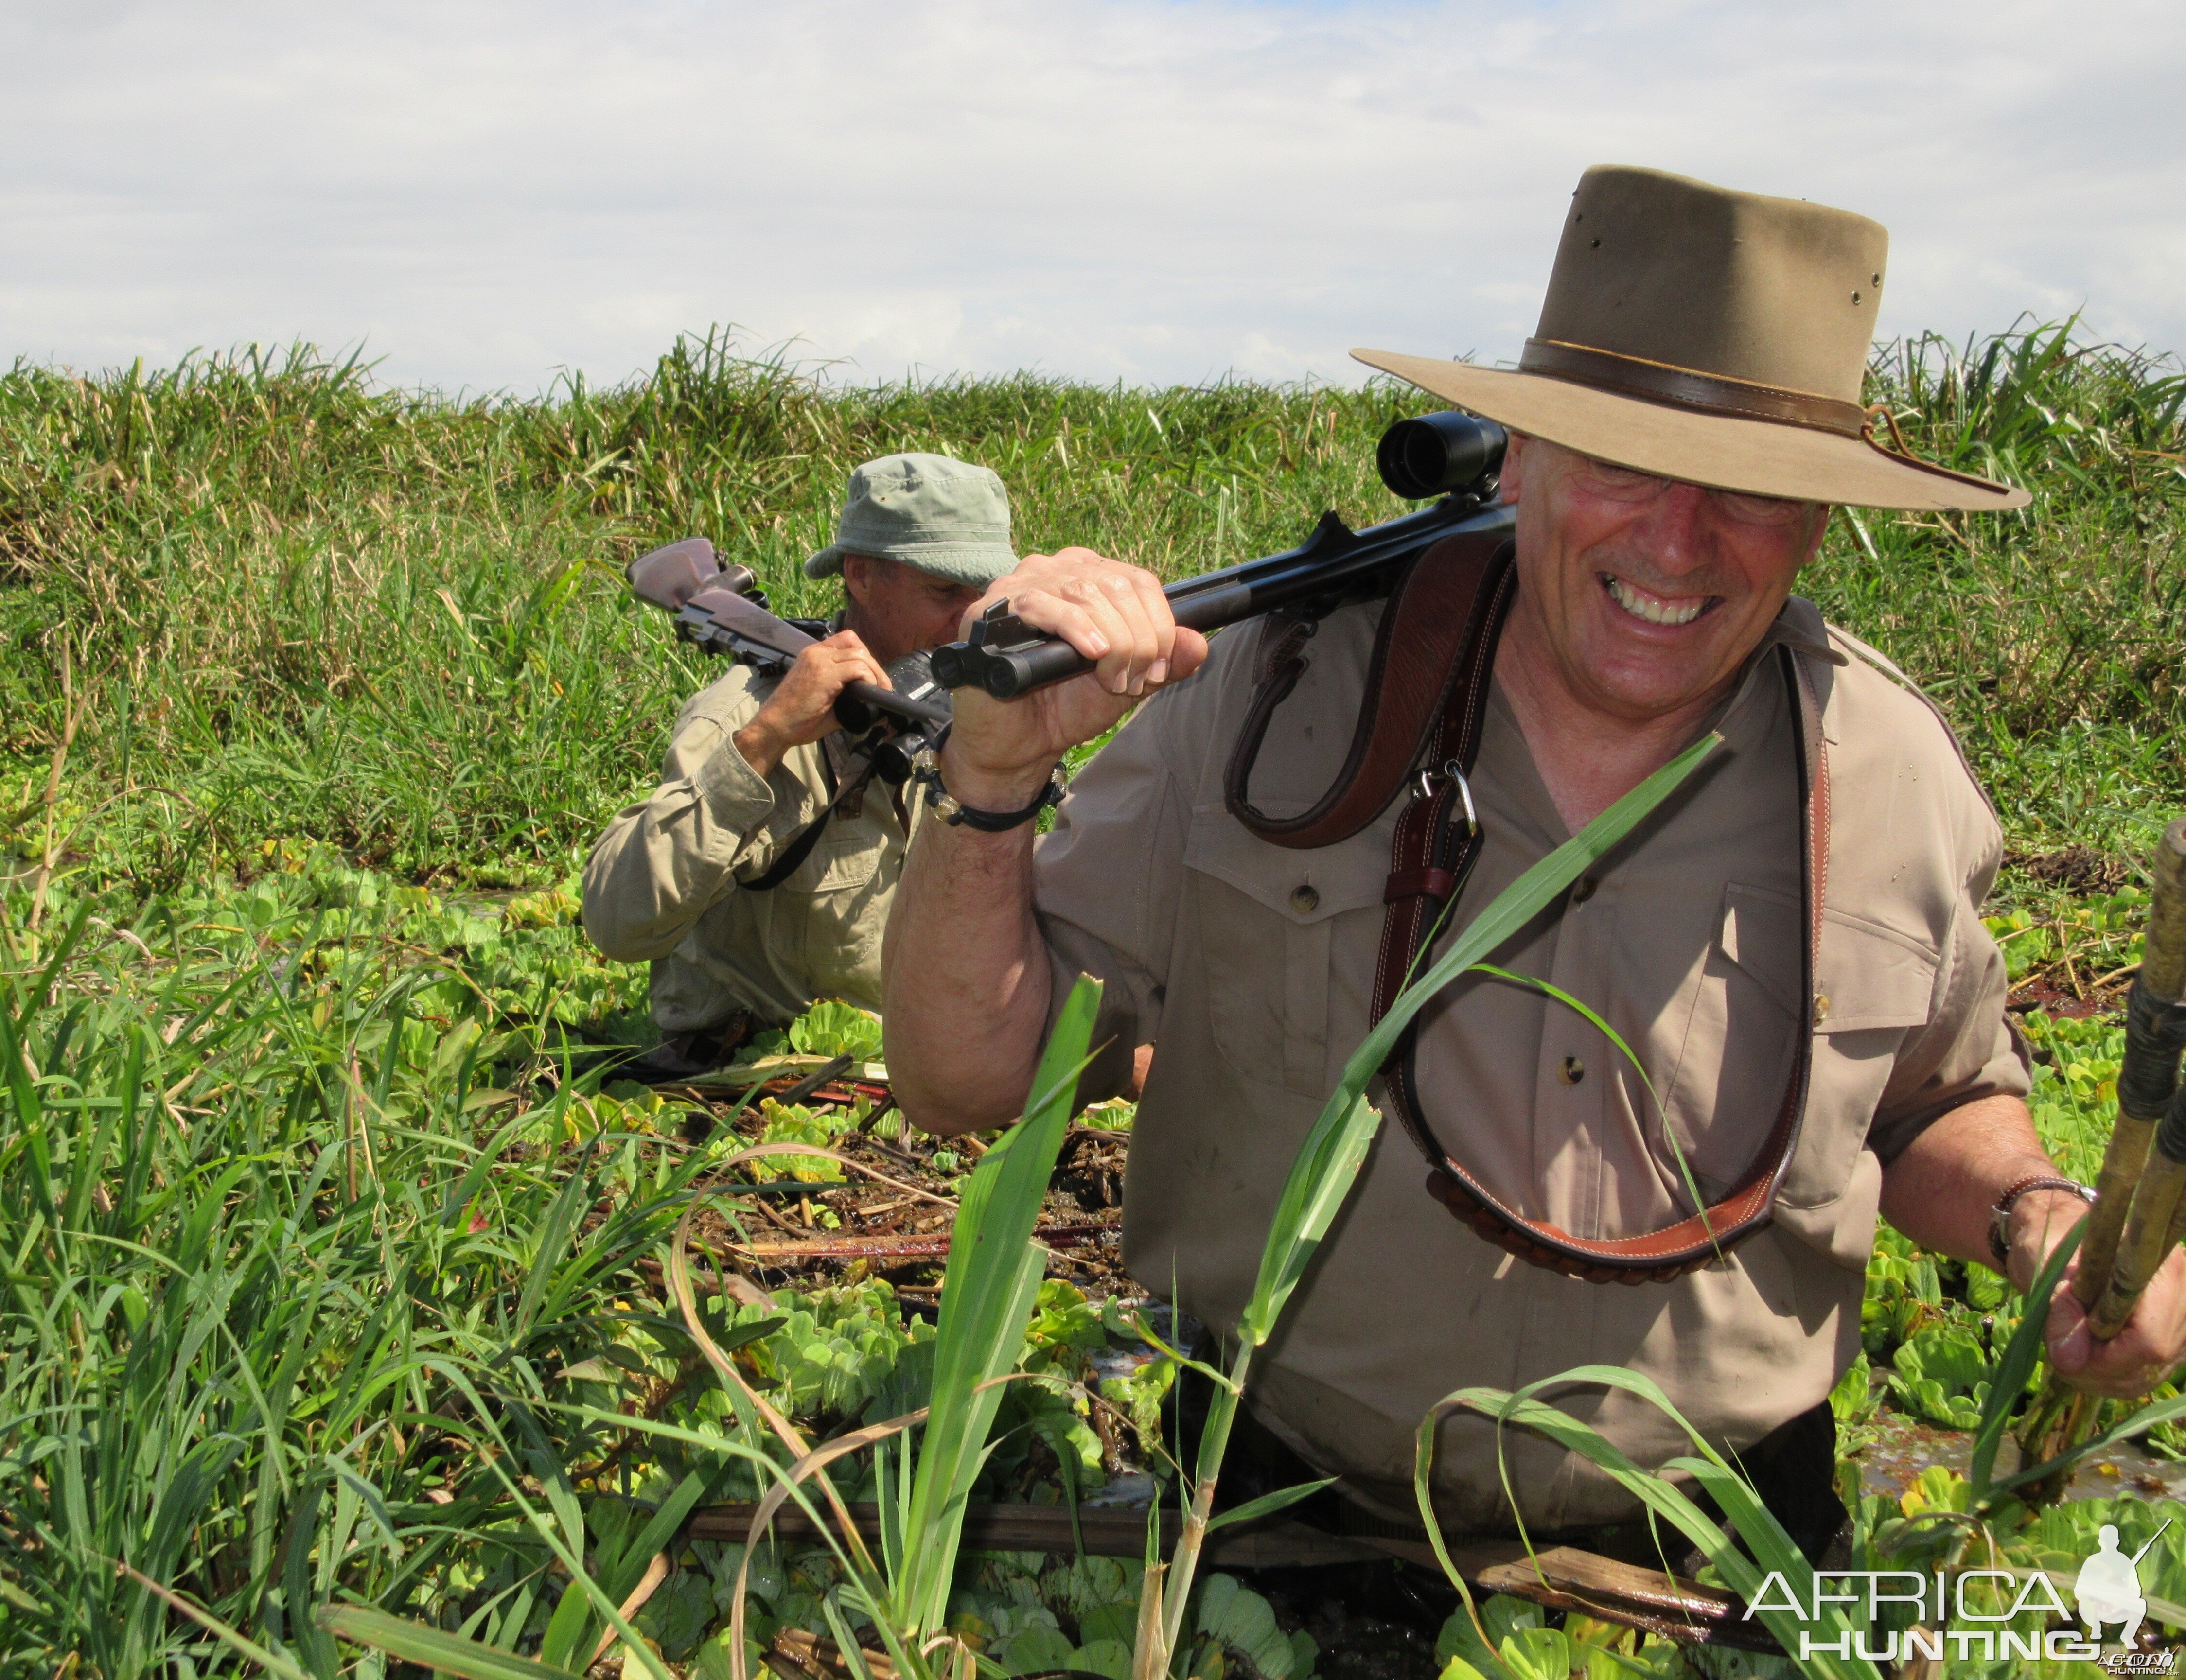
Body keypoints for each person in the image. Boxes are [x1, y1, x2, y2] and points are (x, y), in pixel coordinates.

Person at [881, 166, 2186, 1540]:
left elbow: (1931, 1105)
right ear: (1516, 458)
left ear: (1817, 517)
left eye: (1749, 488)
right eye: (1626, 461)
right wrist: (995, 776)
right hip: (1277, 1503)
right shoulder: (1267, 699)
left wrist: (2041, 1217)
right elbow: (963, 1083)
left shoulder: (1892, 775)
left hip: (1721, 1534)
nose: (1679, 541)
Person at [583, 452, 1013, 1073]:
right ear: (861, 576)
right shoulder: (746, 712)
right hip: (763, 1087)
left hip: (925, 1069)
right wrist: (766, 742)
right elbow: (617, 923)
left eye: (986, 596)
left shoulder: (977, 699)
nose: (968, 620)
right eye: (945, 591)